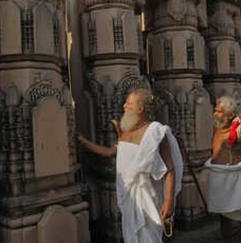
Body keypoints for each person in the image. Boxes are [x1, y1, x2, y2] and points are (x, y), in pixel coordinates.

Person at [77, 88, 183, 243]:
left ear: (141, 109)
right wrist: (83, 142)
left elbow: (169, 170)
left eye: (129, 103)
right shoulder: (125, 133)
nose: (124, 106)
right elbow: (109, 152)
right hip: (129, 198)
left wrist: (169, 201)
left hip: (149, 198)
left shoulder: (155, 132)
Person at [205, 96, 241, 243]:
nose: (215, 114)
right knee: (224, 220)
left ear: (230, 115)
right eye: (215, 111)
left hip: (239, 181)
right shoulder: (215, 128)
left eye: (219, 112)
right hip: (220, 181)